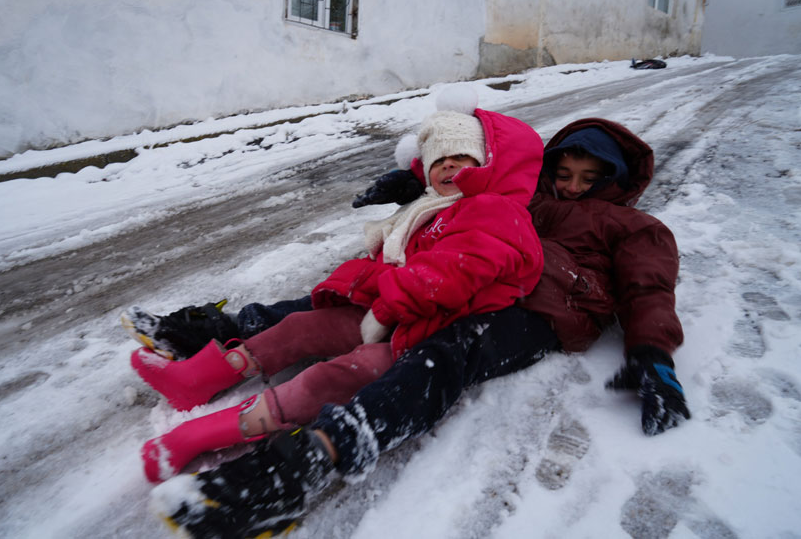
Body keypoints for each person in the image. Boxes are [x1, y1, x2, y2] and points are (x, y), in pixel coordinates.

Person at [139, 117, 692, 539]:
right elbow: (464, 174)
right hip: (469, 280)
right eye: (563, 175)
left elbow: (649, 290)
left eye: (589, 180)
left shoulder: (636, 226)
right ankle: (237, 330)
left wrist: (653, 353)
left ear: (614, 182)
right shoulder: (528, 199)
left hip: (541, 312)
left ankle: (314, 459)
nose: (572, 188)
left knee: (448, 355)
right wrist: (412, 185)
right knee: (358, 294)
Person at [127, 91, 548, 483]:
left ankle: (208, 434)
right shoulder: (428, 209)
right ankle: (197, 381)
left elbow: (450, 276)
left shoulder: (495, 211)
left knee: (337, 375)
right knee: (299, 326)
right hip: (394, 312)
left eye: (463, 158)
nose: (451, 167)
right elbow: (395, 263)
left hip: (427, 331)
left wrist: (384, 306)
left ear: (485, 164)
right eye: (440, 162)